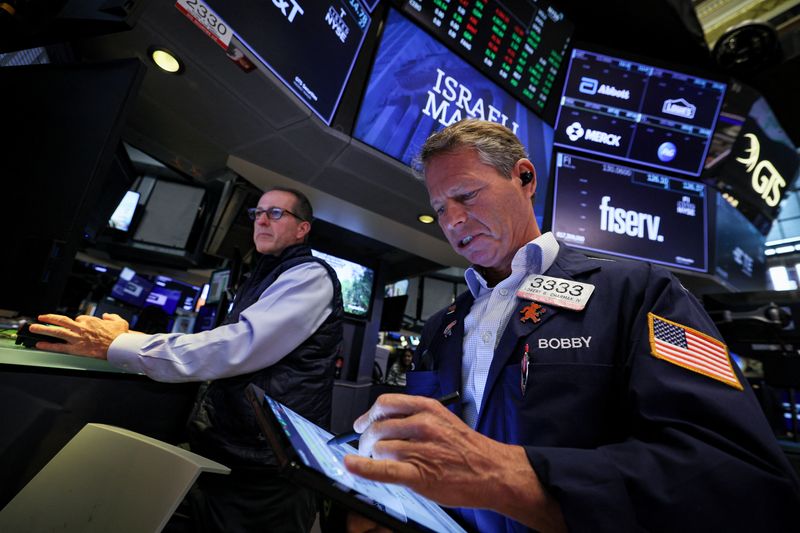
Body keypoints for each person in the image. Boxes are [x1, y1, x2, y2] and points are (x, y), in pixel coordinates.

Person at [343, 119, 800, 532]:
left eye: (466, 195)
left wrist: (508, 476)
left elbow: (738, 473)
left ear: (525, 177)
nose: (453, 219)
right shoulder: (440, 326)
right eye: (441, 208)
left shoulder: (639, 293)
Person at [32, 187, 344, 533]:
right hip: (234, 453)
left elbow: (237, 347)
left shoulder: (310, 276)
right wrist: (130, 339)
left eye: (275, 214)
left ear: (303, 229)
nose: (261, 221)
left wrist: (121, 345)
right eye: (257, 213)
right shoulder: (264, 275)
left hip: (268, 470)